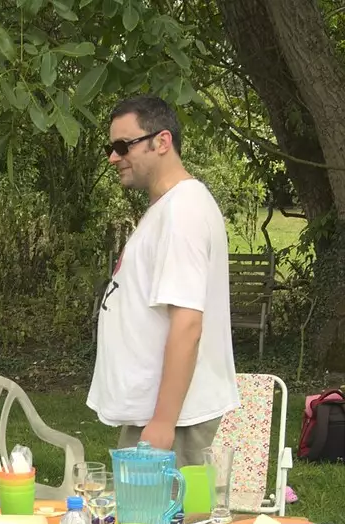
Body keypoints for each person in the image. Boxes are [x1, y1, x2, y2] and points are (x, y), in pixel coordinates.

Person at [88, 94, 239, 467]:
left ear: (162, 141)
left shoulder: (182, 212)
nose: (114, 156)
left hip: (174, 420)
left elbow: (188, 324)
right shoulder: (167, 208)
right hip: (154, 414)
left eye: (124, 145)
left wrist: (162, 423)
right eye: (112, 147)